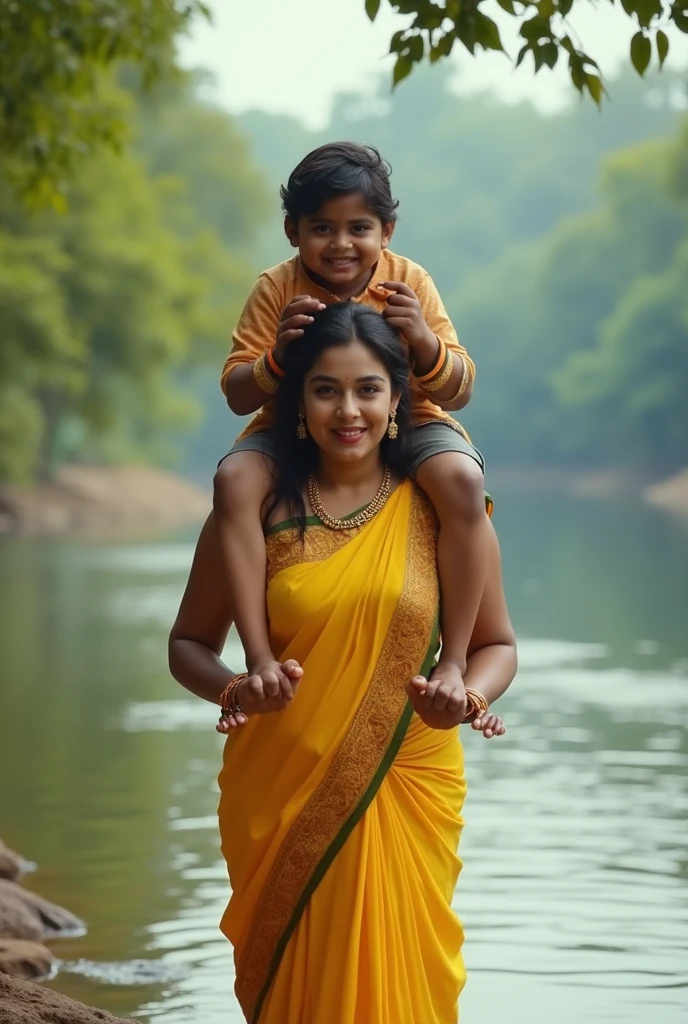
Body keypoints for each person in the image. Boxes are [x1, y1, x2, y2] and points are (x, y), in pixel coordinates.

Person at [169, 303, 517, 1023]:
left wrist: (465, 691)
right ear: (297, 402)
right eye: (326, 389)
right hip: (282, 786)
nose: (348, 410)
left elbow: (496, 646)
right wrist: (239, 685)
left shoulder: (444, 511)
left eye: (367, 389)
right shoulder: (257, 513)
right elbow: (187, 647)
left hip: (406, 779)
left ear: (399, 400)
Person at [214, 142, 489, 726]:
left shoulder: (409, 280)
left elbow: (459, 387)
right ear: (292, 231)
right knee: (234, 478)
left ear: (387, 230)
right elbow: (238, 391)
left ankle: (456, 663)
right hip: (288, 427)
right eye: (321, 228)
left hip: (410, 421)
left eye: (358, 227)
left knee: (463, 479)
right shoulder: (275, 288)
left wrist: (422, 340)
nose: (341, 244)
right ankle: (260, 658)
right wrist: (278, 358)